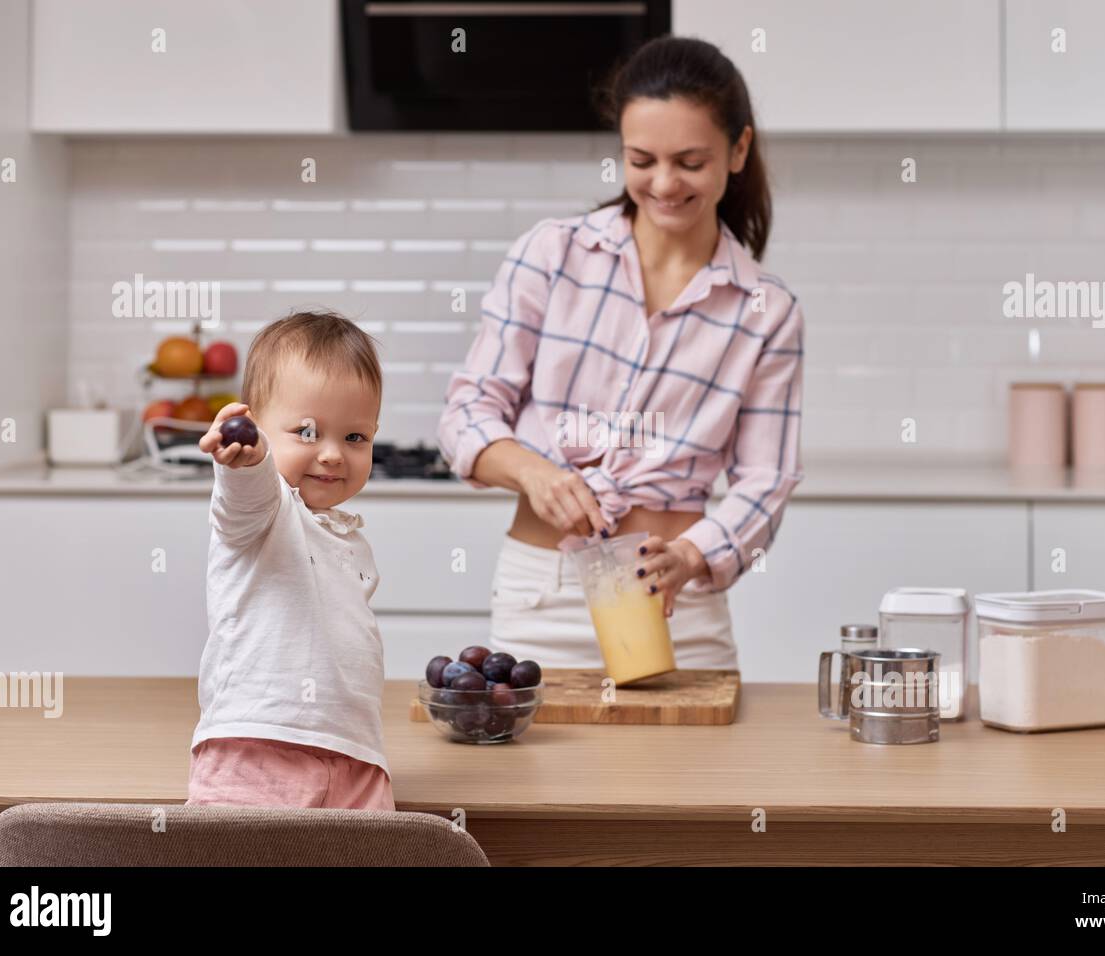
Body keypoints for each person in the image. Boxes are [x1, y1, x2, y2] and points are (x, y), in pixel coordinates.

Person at [436, 37, 805, 671]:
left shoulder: (767, 310)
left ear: (739, 150)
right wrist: (536, 474)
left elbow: (766, 479)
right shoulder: (550, 254)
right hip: (542, 600)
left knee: (690, 775)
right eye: (642, 159)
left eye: (690, 161)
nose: (663, 184)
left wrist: (693, 555)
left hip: (677, 607)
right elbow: (468, 411)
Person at [185, 310, 394, 810]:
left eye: (354, 437)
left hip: (356, 759)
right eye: (306, 431)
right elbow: (246, 496)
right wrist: (248, 459)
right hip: (256, 749)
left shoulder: (347, 537)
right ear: (254, 425)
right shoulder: (266, 512)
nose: (332, 454)